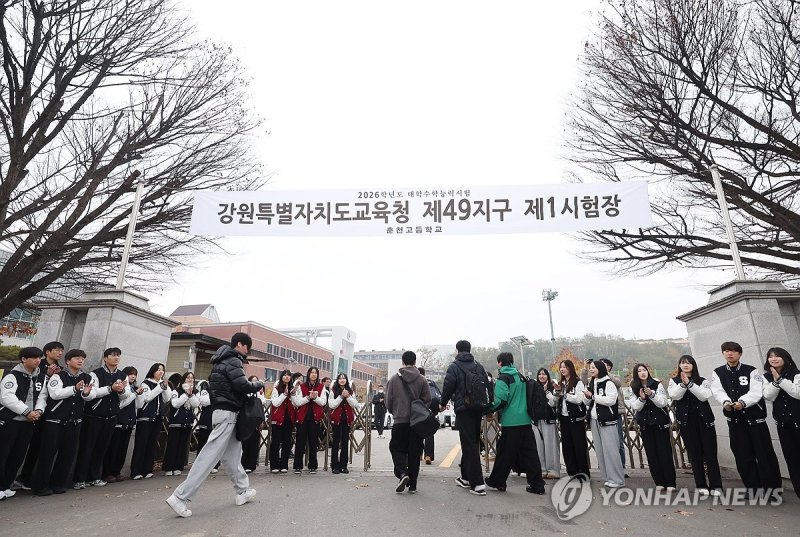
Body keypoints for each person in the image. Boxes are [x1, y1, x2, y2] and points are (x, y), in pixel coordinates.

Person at [166, 333, 264, 518]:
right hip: (227, 413)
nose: (247, 351)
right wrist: (257, 384)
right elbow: (242, 385)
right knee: (208, 456)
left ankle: (243, 490)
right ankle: (180, 497)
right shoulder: (234, 360)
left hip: (222, 412)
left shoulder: (219, 360)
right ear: (240, 345)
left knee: (232, 456)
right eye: (246, 347)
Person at [710, 341, 782, 498]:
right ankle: (753, 490)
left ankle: (773, 491)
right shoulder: (718, 372)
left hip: (756, 422)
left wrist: (742, 402)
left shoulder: (751, 371)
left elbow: (756, 392)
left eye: (734, 351)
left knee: (765, 456)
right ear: (723, 353)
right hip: (735, 423)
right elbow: (717, 391)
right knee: (743, 457)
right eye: (727, 351)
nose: (730, 354)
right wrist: (726, 402)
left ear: (740, 354)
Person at [31, 349, 93, 496]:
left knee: (67, 454)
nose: (80, 361)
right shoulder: (58, 376)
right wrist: (74, 388)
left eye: (83, 358)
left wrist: (86, 394)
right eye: (77, 358)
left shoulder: (87, 377)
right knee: (48, 454)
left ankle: (58, 484)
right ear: (68, 361)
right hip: (55, 421)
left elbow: (90, 396)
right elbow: (54, 394)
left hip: (75, 422)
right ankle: (41, 486)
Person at [484, 352, 546, 495]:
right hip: (525, 420)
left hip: (511, 422)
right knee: (531, 454)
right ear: (511, 362)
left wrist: (486, 409)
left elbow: (500, 400)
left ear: (499, 363)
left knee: (505, 453)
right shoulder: (520, 376)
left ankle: (497, 481)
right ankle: (537, 485)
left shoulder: (503, 378)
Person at [73, 347, 130, 489]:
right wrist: (110, 388)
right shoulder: (95, 374)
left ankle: (95, 477)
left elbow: (126, 395)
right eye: (113, 355)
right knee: (87, 448)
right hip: (93, 415)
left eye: (118, 355)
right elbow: (91, 393)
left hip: (111, 417)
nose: (116, 358)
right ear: (105, 358)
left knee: (101, 448)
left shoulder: (123, 375)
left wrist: (121, 390)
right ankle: (80, 479)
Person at [668, 355, 722, 496]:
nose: (685, 365)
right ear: (679, 365)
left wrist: (690, 384)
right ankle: (701, 485)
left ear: (693, 365)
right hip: (687, 423)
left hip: (705, 421)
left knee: (710, 454)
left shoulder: (702, 380)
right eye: (682, 363)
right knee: (694, 454)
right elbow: (675, 396)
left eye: (688, 363)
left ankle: (716, 485)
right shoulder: (674, 381)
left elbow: (704, 396)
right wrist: (683, 384)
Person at [440, 340, 488, 496]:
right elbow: (487, 385)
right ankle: (466, 478)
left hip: (464, 409)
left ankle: (478, 483)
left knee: (469, 445)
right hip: (478, 408)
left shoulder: (454, 366)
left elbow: (448, 386)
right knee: (471, 442)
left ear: (457, 350)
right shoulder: (478, 366)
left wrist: (442, 403)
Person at [15, 341, 63, 490]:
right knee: (24, 446)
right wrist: (47, 375)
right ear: (47, 352)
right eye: (56, 350)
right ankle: (20, 478)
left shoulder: (60, 368)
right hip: (26, 411)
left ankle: (30, 477)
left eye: (61, 350)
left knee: (39, 447)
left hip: (45, 412)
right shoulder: (39, 365)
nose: (59, 353)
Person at [0, 346, 44, 499]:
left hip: (28, 423)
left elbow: (42, 396)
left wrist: (38, 411)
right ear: (24, 359)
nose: (38, 360)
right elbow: (6, 397)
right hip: (10, 421)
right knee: (3, 453)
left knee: (18, 455)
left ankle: (6, 485)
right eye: (34, 357)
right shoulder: (12, 376)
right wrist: (27, 411)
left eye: (39, 357)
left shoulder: (40, 376)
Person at [386, 350, 431, 494]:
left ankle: (402, 473)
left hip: (400, 420)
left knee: (396, 447)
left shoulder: (394, 379)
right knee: (414, 452)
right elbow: (427, 400)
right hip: (416, 423)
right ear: (415, 362)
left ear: (403, 362)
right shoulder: (422, 379)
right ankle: (413, 485)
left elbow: (388, 400)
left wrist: (396, 412)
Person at [628, 363, 674, 490]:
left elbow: (663, 402)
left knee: (664, 452)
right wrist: (642, 398)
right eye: (639, 371)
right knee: (651, 453)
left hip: (659, 423)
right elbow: (635, 407)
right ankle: (659, 482)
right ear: (635, 374)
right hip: (645, 424)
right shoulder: (633, 387)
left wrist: (652, 395)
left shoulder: (656, 384)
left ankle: (670, 482)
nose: (642, 373)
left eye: (644, 370)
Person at [762, 347, 800, 498]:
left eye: (777, 356)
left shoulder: (796, 374)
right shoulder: (766, 377)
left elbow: (797, 393)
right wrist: (775, 382)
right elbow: (768, 396)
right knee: (792, 458)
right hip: (783, 425)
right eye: (770, 356)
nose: (773, 359)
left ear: (785, 357)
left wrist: (781, 380)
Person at [584, 360, 624, 488]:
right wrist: (587, 396)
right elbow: (587, 401)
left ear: (600, 368)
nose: (591, 369)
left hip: (608, 421)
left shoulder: (608, 383)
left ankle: (617, 479)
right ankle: (607, 477)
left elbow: (611, 400)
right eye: (590, 368)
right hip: (595, 420)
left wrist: (594, 396)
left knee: (611, 450)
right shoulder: (592, 382)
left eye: (594, 367)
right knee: (600, 450)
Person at [130, 362, 172, 480]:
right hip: (145, 418)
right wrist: (160, 388)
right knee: (141, 444)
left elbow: (167, 398)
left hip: (157, 418)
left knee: (152, 445)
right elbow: (148, 398)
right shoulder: (146, 383)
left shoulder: (161, 384)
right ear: (153, 371)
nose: (160, 372)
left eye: (162, 370)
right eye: (158, 370)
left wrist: (164, 387)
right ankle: (136, 471)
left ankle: (147, 469)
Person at [103, 366, 141, 483]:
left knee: (122, 450)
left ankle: (117, 472)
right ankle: (107, 473)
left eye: (135, 374)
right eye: (130, 374)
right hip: (118, 422)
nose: (133, 376)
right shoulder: (121, 388)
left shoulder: (134, 388)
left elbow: (139, 405)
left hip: (129, 423)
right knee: (113, 449)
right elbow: (121, 404)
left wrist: (138, 394)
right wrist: (134, 394)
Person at [554, 360, 590, 477]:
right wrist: (557, 392)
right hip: (564, 419)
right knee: (567, 446)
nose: (562, 369)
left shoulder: (578, 383)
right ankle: (572, 471)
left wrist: (565, 394)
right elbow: (557, 400)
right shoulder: (561, 382)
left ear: (570, 368)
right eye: (561, 367)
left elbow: (579, 399)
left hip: (576, 419)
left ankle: (583, 472)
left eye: (565, 367)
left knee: (579, 446)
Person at [291, 366, 326, 474]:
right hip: (302, 418)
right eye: (312, 372)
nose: (314, 374)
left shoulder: (321, 386)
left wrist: (315, 398)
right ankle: (297, 466)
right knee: (300, 442)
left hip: (315, 419)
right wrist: (308, 397)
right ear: (308, 374)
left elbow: (323, 402)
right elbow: (297, 402)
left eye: (315, 373)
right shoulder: (302, 386)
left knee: (313, 442)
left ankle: (313, 466)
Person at [164, 372, 200, 476]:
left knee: (182, 446)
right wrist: (185, 394)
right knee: (172, 445)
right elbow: (175, 404)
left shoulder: (195, 391)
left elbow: (196, 404)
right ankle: (169, 467)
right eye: (188, 377)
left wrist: (190, 394)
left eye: (192, 378)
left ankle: (178, 467)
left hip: (187, 422)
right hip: (176, 422)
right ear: (183, 379)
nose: (190, 379)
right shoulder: (177, 390)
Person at [328, 373, 360, 474]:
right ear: (337, 380)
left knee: (345, 442)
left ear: (346, 380)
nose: (342, 380)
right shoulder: (333, 391)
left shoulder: (350, 391)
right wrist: (341, 397)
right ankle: (334, 465)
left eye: (344, 378)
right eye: (340, 378)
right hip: (336, 420)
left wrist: (348, 396)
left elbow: (355, 404)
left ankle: (343, 465)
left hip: (347, 420)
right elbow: (332, 405)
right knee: (336, 442)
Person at [534, 367, 561, 479]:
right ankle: (541, 469)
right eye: (540, 374)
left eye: (544, 374)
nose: (541, 376)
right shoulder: (534, 387)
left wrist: (546, 392)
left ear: (548, 376)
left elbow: (553, 403)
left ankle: (553, 470)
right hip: (537, 420)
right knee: (539, 446)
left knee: (551, 446)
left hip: (549, 420)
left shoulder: (552, 387)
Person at [269, 370, 296, 473]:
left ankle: (284, 465)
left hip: (289, 419)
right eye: (285, 375)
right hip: (278, 419)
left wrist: (292, 394)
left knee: (287, 442)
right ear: (281, 377)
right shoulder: (276, 389)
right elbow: (275, 403)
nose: (287, 377)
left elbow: (296, 403)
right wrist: (284, 394)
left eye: (289, 375)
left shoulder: (292, 389)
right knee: (275, 442)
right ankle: (274, 465)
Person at [240, 375, 268, 473]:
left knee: (254, 443)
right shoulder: (245, 392)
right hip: (245, 421)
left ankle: (251, 464)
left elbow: (263, 402)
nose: (256, 383)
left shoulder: (260, 393)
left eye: (257, 381)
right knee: (244, 443)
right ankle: (242, 464)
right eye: (253, 381)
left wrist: (259, 394)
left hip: (256, 422)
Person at [194, 379, 218, 474]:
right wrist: (216, 397)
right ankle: (200, 465)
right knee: (203, 443)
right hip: (206, 420)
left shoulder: (222, 390)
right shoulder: (205, 390)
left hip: (217, 420)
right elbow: (204, 401)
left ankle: (214, 465)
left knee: (215, 445)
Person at [419, 367, 441, 465]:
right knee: (429, 431)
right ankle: (428, 455)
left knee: (417, 431)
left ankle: (418, 453)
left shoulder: (416, 381)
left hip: (419, 409)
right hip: (431, 408)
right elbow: (438, 394)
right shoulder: (431, 382)